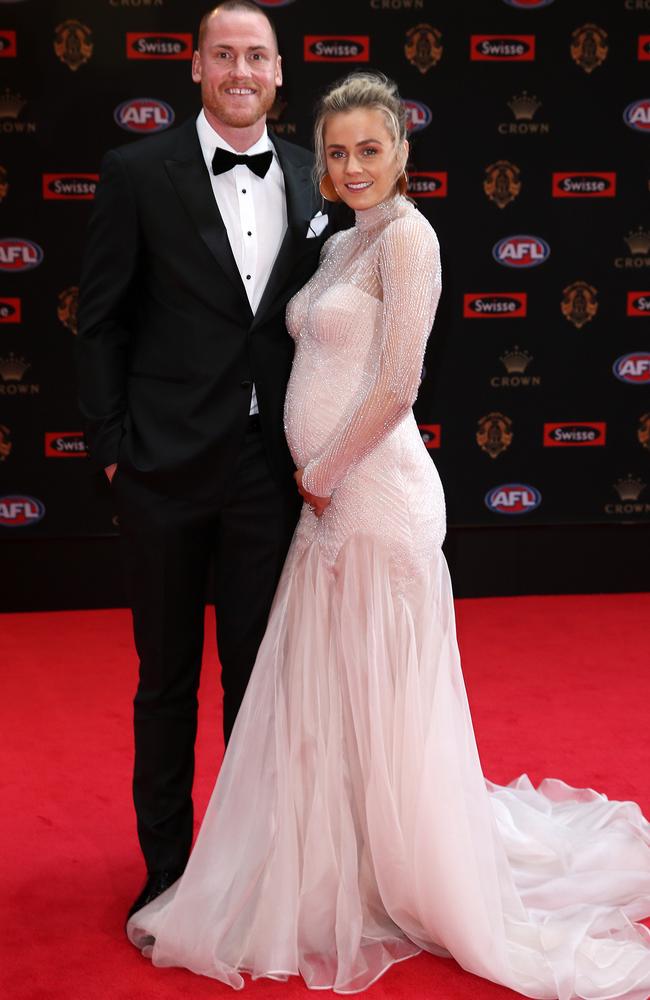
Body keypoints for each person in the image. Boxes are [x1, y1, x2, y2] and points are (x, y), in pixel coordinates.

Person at [126, 73, 650, 998]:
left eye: (370, 149)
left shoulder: (411, 238)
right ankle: (345, 865)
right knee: (336, 697)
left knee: (382, 696)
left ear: (400, 152)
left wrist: (321, 473)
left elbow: (401, 381)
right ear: (321, 164)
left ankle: (403, 874)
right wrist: (314, 479)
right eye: (336, 153)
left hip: (372, 496)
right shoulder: (339, 239)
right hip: (327, 501)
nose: (353, 166)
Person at [76, 0, 337, 920]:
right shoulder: (137, 172)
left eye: (254, 56)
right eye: (221, 54)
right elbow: (97, 318)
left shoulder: (316, 179)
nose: (238, 70)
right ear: (194, 67)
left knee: (261, 685)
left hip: (271, 476)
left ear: (277, 72)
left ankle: (249, 874)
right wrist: (114, 452)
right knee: (167, 682)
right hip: (163, 472)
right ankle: (168, 876)